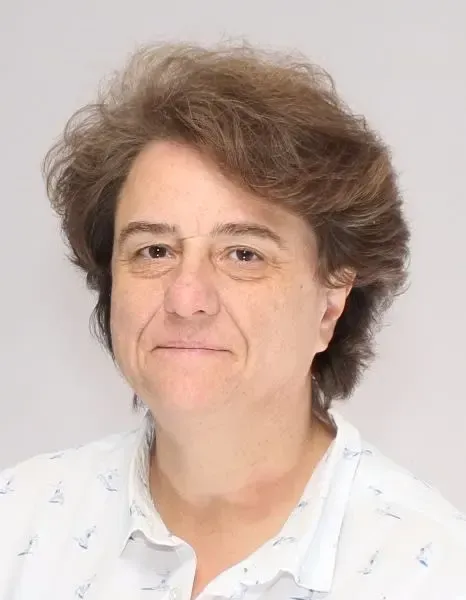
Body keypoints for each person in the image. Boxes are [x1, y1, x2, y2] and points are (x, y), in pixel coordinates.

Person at [0, 41, 465, 600]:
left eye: (244, 254)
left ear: (331, 302)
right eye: (154, 250)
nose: (185, 298)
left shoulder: (432, 572)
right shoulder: (18, 524)